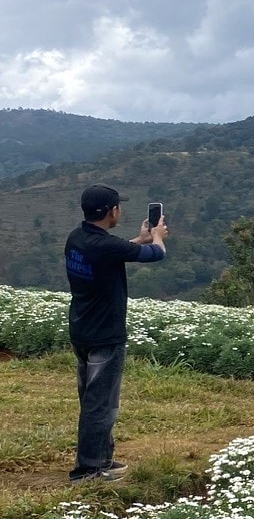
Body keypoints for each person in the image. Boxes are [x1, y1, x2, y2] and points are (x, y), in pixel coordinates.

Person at [64, 184, 168, 482]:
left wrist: (141, 239)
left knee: (92, 399)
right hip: (105, 334)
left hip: (82, 329)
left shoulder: (78, 238)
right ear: (112, 211)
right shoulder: (104, 246)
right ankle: (88, 469)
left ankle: (101, 459)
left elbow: (116, 252)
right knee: (102, 404)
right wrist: (157, 238)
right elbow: (155, 255)